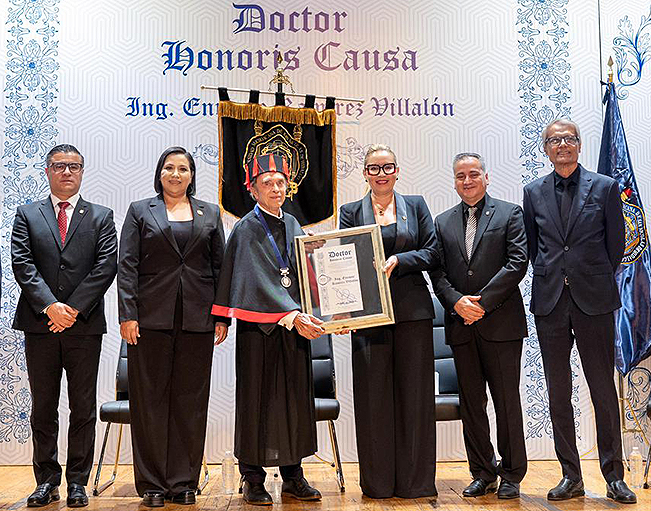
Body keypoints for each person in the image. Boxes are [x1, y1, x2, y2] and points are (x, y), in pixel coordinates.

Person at [523, 119, 636, 504]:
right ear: (546, 149)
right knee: (558, 392)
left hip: (594, 301)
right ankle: (570, 476)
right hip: (551, 302)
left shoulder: (604, 187)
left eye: (568, 139)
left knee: (603, 390)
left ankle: (614, 476)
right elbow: (536, 247)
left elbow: (616, 244)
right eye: (554, 141)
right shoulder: (533, 192)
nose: (562, 146)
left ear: (579, 145)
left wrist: (587, 275)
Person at [117, 147, 228, 507]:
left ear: (192, 175)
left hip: (198, 319)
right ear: (159, 173)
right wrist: (127, 315)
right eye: (169, 167)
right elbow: (127, 266)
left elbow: (220, 269)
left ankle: (183, 483)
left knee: (190, 402)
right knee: (149, 402)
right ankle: (151, 484)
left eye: (183, 168)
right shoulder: (139, 211)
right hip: (149, 320)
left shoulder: (209, 213)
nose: (176, 174)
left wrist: (222, 316)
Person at [212, 154, 324, 506]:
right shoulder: (246, 227)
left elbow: (301, 274)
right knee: (257, 403)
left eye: (280, 182)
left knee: (294, 402)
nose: (275, 188)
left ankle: (293, 476)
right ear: (252, 188)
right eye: (267, 183)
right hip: (259, 331)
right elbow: (255, 281)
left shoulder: (292, 222)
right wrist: (292, 315)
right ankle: (253, 478)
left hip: (293, 331)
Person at [11, 144, 118, 508]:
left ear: (82, 171)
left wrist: (70, 309)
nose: (66, 172)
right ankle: (46, 480)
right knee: (43, 406)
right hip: (40, 326)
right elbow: (22, 264)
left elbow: (106, 267)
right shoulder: (27, 214)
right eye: (59, 166)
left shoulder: (102, 216)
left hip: (83, 326)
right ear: (47, 170)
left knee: (82, 406)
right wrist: (50, 308)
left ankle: (77, 482)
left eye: (73, 166)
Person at [338, 144, 438, 498]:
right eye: (374, 168)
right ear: (364, 173)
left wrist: (400, 259)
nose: (381, 174)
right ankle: (377, 483)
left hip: (413, 312)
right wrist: (342, 310)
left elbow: (432, 251)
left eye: (388, 167)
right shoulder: (349, 211)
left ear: (397, 171)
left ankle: (416, 483)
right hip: (369, 317)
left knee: (415, 397)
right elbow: (344, 260)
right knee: (373, 399)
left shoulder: (416, 205)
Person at [430, 153, 528, 499]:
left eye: (473, 174)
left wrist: (481, 304)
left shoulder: (510, 213)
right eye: (460, 176)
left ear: (486, 177)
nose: (467, 181)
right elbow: (437, 272)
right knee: (472, 404)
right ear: (454, 181)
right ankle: (482, 472)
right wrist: (457, 302)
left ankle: (513, 474)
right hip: (460, 325)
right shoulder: (442, 222)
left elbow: (517, 263)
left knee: (505, 401)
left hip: (501, 324)